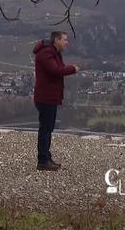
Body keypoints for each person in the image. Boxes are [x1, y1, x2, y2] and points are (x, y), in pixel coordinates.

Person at [32, 31, 79, 171]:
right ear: (57, 40)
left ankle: (46, 157)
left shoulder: (53, 52)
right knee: (45, 129)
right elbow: (55, 70)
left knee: (48, 128)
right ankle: (43, 160)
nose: (67, 42)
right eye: (64, 39)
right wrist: (72, 69)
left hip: (50, 96)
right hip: (46, 97)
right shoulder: (46, 53)